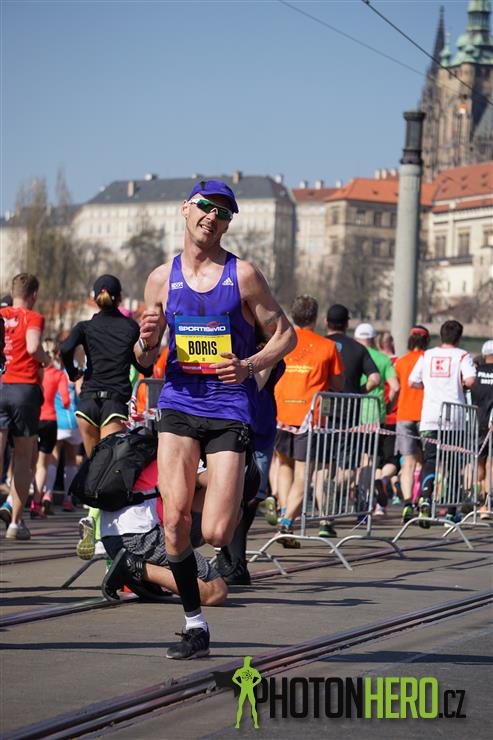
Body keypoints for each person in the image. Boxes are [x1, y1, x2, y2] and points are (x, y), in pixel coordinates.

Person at [136, 179, 297, 659]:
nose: (213, 217)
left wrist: (249, 365)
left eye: (224, 213)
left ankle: (238, 480)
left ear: (228, 225)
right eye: (206, 207)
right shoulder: (160, 279)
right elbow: (144, 359)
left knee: (216, 533)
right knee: (174, 521)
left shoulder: (243, 275)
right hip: (179, 403)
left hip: (229, 409)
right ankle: (195, 624)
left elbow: (285, 335)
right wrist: (146, 340)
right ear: (186, 209)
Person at [60, 275, 153, 556]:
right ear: (120, 298)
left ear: (94, 298)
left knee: (93, 466)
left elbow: (65, 348)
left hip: (88, 403)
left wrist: (73, 372)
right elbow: (143, 367)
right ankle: (101, 532)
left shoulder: (85, 327)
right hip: (114, 404)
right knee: (109, 473)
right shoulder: (129, 327)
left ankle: (91, 521)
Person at [101, 460, 228, 607]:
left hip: (111, 536)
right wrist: (235, 470)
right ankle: (130, 567)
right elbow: (205, 477)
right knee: (215, 591)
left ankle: (137, 571)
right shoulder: (164, 446)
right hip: (142, 536)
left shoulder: (128, 449)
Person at [274, 295, 344, 545]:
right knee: (304, 474)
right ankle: (286, 522)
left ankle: (284, 513)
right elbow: (338, 383)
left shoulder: (282, 341)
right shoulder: (328, 346)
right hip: (309, 417)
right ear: (316, 318)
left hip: (280, 412)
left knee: (284, 466)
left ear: (293, 316)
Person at [409, 320, 476, 525]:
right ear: (459, 337)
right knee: (454, 463)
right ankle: (450, 511)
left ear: (441, 335)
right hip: (454, 418)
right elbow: (471, 380)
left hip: (430, 417)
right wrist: (461, 384)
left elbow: (412, 381)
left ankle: (425, 498)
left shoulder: (427, 355)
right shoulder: (462, 355)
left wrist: (428, 385)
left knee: (430, 461)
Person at [0, 274, 50, 539]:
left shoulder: (1, 315)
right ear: (34, 294)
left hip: (1, 383)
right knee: (22, 458)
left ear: (12, 291)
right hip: (24, 389)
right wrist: (46, 359)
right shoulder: (33, 317)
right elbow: (32, 347)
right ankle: (15, 524)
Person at [354, 323, 400, 515]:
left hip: (353, 413)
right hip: (375, 414)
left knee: (359, 460)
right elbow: (395, 387)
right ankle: (367, 498)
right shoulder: (383, 358)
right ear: (373, 339)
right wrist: (389, 405)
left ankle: (359, 497)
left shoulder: (353, 354)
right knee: (372, 459)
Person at [394, 325, 430, 522]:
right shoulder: (428, 359)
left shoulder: (401, 362)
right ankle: (424, 498)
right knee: (426, 461)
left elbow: (397, 387)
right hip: (425, 416)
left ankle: (407, 503)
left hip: (404, 414)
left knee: (407, 462)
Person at [33, 338, 71, 517]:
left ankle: (13, 503)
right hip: (50, 420)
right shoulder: (58, 374)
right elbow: (65, 401)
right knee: (43, 465)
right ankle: (37, 503)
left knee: (26, 463)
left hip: (32, 419)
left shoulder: (33, 371)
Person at [471, 340, 493, 518]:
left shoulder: (475, 373)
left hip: (476, 423)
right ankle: (487, 503)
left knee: (477, 462)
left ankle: (473, 499)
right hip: (492, 423)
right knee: (491, 463)